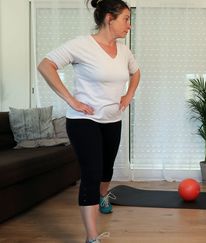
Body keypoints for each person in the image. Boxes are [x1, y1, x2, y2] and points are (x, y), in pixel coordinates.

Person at [37, 0, 140, 242]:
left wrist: (129, 94)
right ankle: (92, 237)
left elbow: (136, 72)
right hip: (84, 121)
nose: (129, 25)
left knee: (106, 170)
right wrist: (71, 100)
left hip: (112, 119)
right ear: (108, 19)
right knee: (91, 173)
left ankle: (103, 195)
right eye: (126, 19)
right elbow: (45, 65)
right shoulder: (81, 45)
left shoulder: (124, 50)